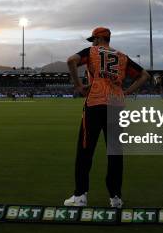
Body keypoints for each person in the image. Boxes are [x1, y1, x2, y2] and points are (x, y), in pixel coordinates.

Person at [64, 27, 150, 208]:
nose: (92, 42)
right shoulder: (122, 56)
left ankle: (80, 195)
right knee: (115, 152)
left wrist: (79, 85)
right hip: (116, 105)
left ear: (97, 39)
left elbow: (71, 60)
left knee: (85, 150)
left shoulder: (92, 51)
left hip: (95, 103)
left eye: (93, 39)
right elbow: (144, 76)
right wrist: (126, 92)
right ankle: (116, 197)